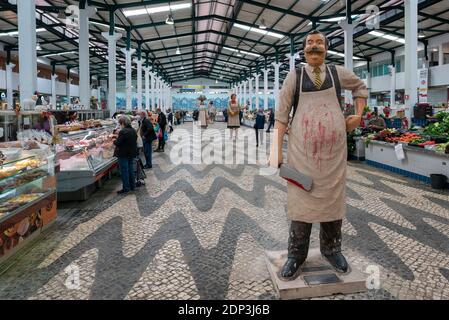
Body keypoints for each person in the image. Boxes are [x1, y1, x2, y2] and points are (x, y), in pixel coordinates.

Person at [269, 30, 368, 280]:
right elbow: (281, 116)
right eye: (310, 43)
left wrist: (358, 114)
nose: (314, 46)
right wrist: (274, 151)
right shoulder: (295, 75)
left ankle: (332, 250)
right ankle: (296, 254)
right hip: (301, 155)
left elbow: (360, 87)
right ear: (303, 49)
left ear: (326, 48)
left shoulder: (337, 73)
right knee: (301, 204)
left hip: (334, 157)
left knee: (333, 203)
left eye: (319, 43)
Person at [114, 116, 138, 194]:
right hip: (131, 153)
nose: (120, 125)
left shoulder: (123, 131)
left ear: (123, 123)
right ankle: (132, 186)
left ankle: (126, 188)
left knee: (124, 171)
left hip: (123, 154)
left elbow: (118, 143)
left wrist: (114, 140)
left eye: (120, 123)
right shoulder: (133, 130)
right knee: (130, 169)